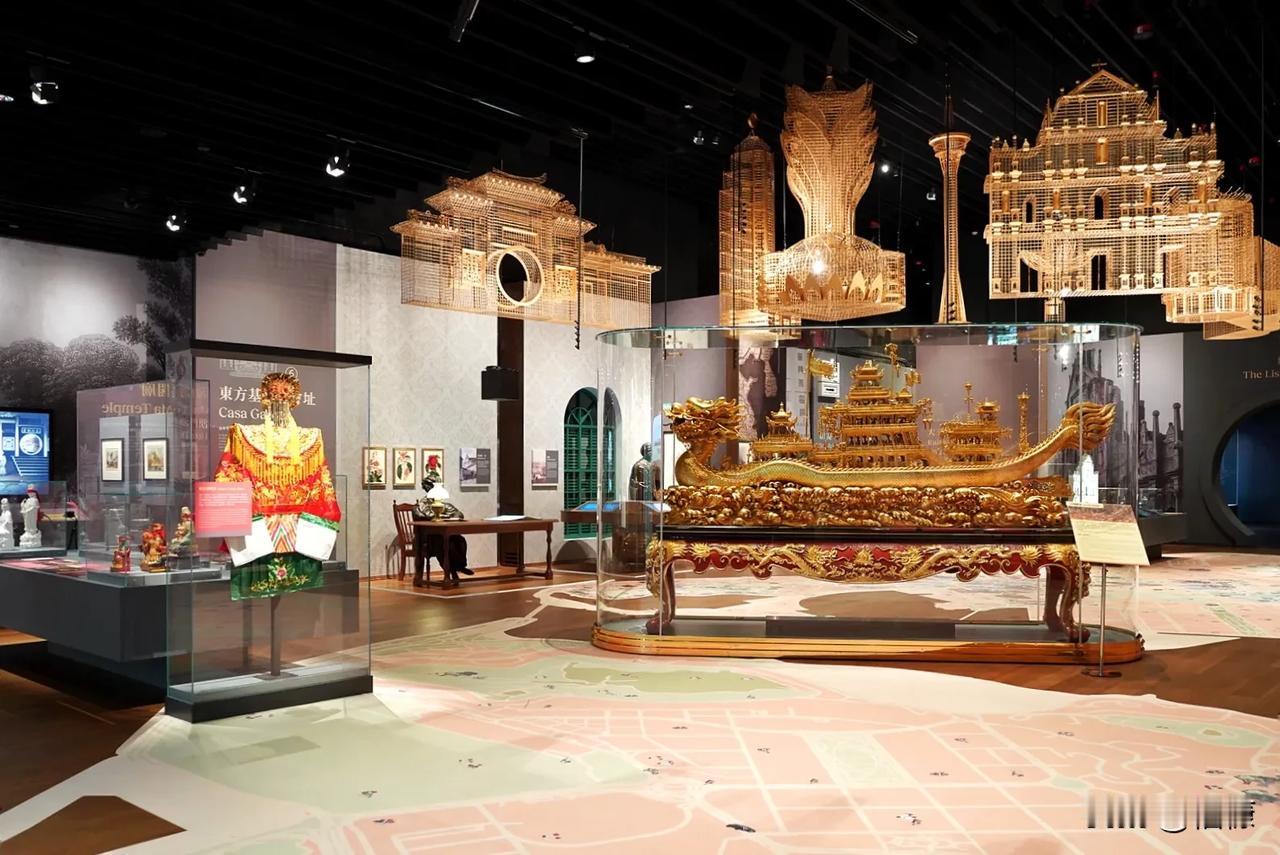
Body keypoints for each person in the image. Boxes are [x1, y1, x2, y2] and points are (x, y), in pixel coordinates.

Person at [412, 476, 470, 587]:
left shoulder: (442, 503)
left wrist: (443, 516)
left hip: (442, 535)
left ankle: (459, 566)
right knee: (444, 544)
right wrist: (444, 516)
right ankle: (451, 570)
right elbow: (428, 516)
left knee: (459, 540)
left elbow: (459, 514)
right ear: (427, 488)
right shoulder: (422, 504)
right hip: (426, 539)